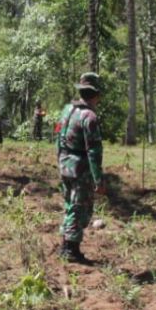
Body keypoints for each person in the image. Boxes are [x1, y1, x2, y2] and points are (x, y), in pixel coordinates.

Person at [56, 73, 105, 264]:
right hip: (80, 169)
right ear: (96, 95)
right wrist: (99, 179)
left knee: (70, 204)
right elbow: (94, 152)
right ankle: (71, 250)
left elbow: (58, 138)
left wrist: (59, 161)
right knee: (78, 207)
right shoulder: (89, 117)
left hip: (65, 164)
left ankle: (66, 244)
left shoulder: (67, 110)